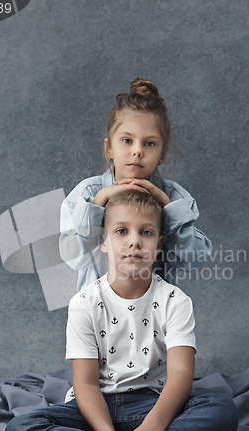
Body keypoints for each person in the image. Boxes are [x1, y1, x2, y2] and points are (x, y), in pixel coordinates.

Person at [4, 190, 238, 431]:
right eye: (121, 231)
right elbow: (86, 382)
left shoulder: (175, 301)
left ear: (159, 243)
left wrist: (153, 426)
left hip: (151, 405)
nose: (134, 241)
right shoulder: (84, 303)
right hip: (94, 410)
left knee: (222, 410)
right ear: (104, 241)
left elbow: (181, 374)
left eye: (147, 232)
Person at [59, 78, 212, 292]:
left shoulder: (175, 199)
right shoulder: (87, 195)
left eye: (149, 143)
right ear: (109, 148)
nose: (137, 151)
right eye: (127, 140)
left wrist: (169, 208)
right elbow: (74, 258)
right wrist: (98, 203)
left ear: (162, 154)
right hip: (100, 313)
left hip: (153, 314)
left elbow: (194, 259)